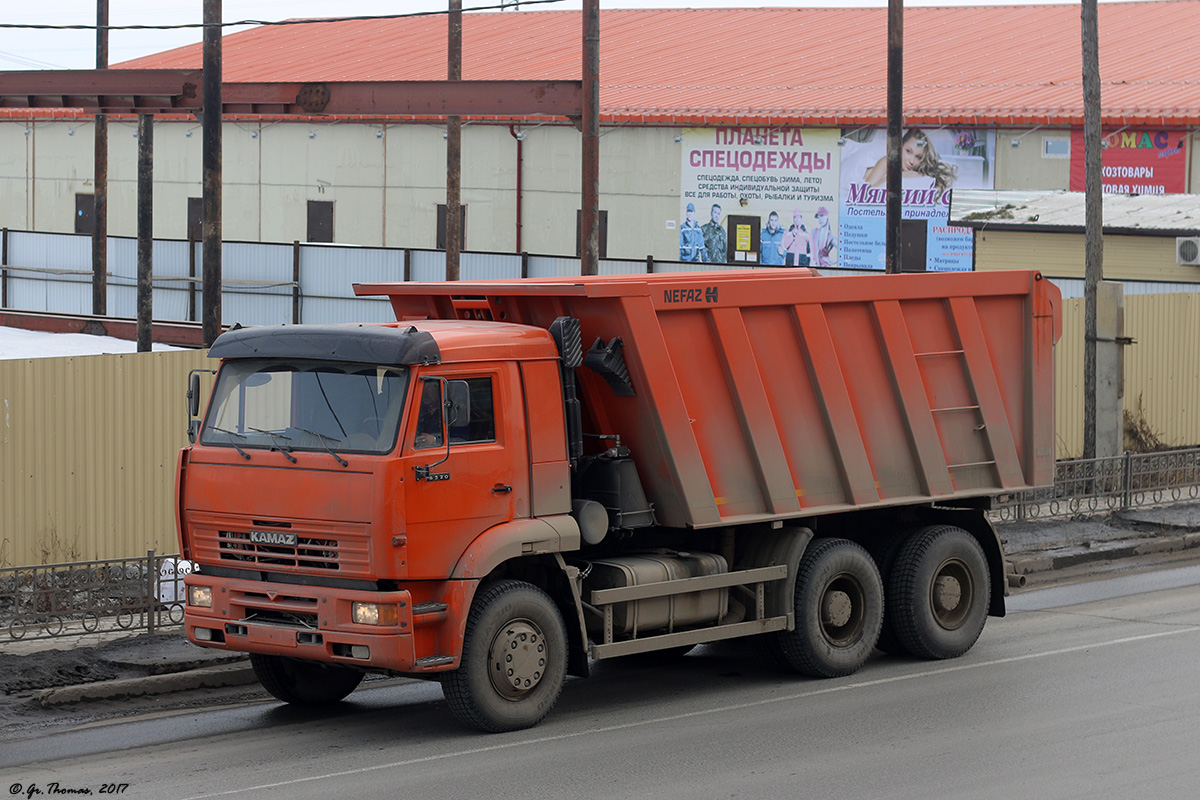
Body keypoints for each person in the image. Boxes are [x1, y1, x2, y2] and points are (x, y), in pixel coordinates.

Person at [862, 128, 957, 191]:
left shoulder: (918, 171)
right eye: (908, 151)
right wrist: (896, 177)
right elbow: (865, 192)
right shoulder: (887, 162)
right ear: (900, 147)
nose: (912, 161)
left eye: (918, 157)